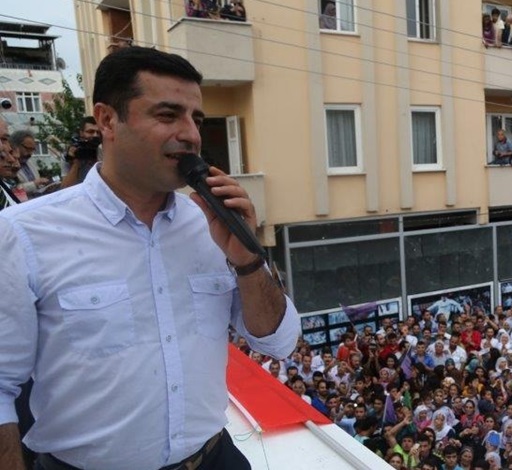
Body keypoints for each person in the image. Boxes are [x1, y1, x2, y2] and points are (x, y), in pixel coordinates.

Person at [0, 46, 300, 470]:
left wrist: (248, 258)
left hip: (213, 459)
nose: (192, 134)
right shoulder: (23, 232)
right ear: (107, 120)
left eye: (196, 118)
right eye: (167, 115)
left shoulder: (209, 224)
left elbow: (279, 342)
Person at [11, 130, 51, 199]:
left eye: (32, 149)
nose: (30, 153)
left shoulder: (29, 162)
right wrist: (35, 184)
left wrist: (46, 186)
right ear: (15, 145)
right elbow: (13, 190)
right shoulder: (7, 165)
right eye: (27, 149)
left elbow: (37, 184)